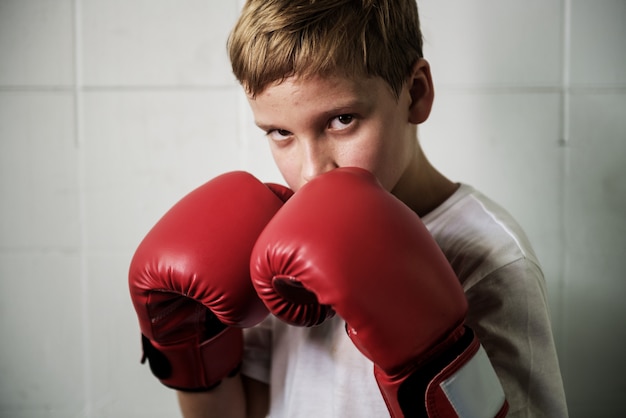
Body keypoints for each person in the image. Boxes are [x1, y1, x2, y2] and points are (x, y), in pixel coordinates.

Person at [135, 0, 568, 416]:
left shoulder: (490, 256)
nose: (311, 172)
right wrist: (191, 351)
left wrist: (434, 364)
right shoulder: (273, 242)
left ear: (415, 94)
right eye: (280, 132)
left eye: (341, 120)